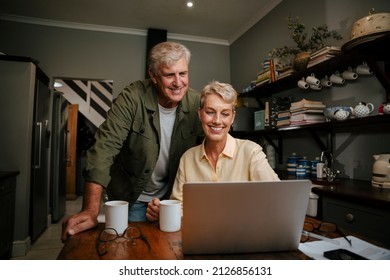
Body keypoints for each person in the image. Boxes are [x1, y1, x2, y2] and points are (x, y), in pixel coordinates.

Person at [61, 42, 203, 242]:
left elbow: (208, 153)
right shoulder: (132, 97)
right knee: (129, 249)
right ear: (153, 76)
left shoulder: (197, 103)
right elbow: (104, 148)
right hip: (132, 197)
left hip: (174, 199)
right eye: (169, 75)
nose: (178, 83)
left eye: (183, 74)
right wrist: (90, 211)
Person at [146, 81, 279, 221]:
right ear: (200, 114)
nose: (217, 121)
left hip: (243, 235)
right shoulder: (188, 158)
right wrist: (163, 212)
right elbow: (179, 207)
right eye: (210, 112)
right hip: (200, 236)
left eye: (225, 114)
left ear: (233, 117)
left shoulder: (251, 152)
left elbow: (277, 197)